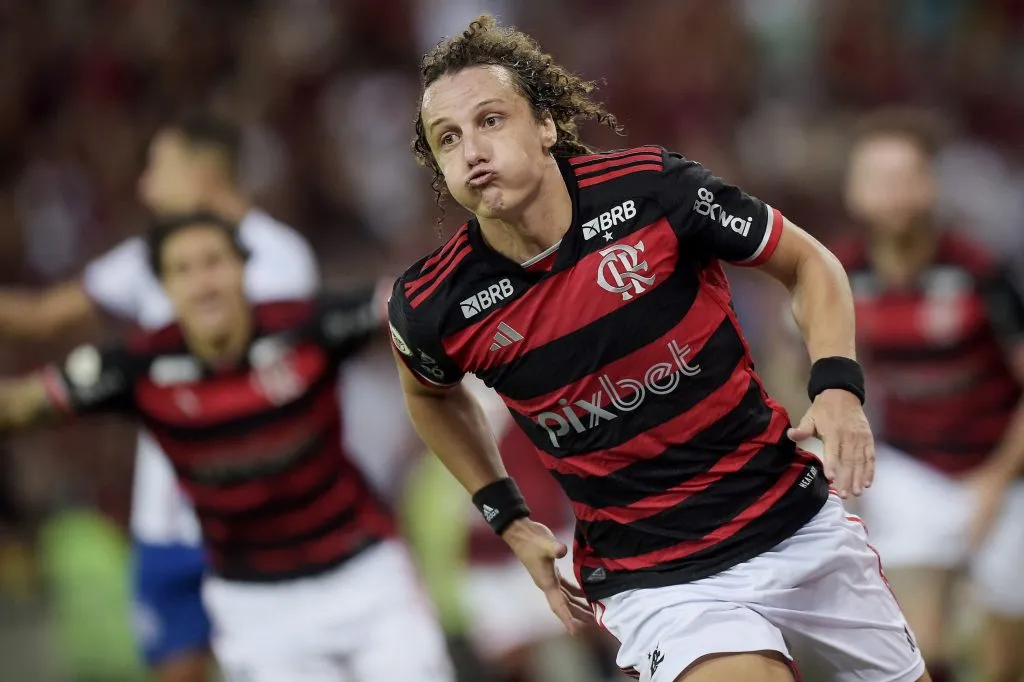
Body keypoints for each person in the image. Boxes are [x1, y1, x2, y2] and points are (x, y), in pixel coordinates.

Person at [387, 15, 931, 682]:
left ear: (547, 126)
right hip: (659, 581)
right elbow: (427, 394)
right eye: (449, 139)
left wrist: (838, 387)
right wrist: (506, 513)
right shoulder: (436, 304)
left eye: (491, 120)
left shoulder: (654, 192)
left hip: (793, 525)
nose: (471, 148)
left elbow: (809, 264)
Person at [0, 213, 454, 682]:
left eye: (214, 262)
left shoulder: (304, 323)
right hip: (256, 608)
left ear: (243, 268)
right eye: (183, 270)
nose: (203, 283)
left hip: (365, 575)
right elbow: (20, 406)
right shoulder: (138, 366)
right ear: (164, 287)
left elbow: (414, 303)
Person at [0, 113, 317, 682]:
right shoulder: (156, 255)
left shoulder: (279, 259)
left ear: (202, 173)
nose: (145, 185)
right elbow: (44, 314)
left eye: (158, 167)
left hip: (248, 518)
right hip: (163, 525)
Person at [834, 109, 1024, 682]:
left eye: (906, 176)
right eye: (877, 178)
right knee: (916, 649)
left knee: (1002, 663)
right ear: (852, 190)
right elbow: (818, 384)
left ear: (931, 185)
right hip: (912, 470)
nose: (893, 193)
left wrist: (995, 479)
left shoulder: (979, 272)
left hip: (1002, 473)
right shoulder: (837, 275)